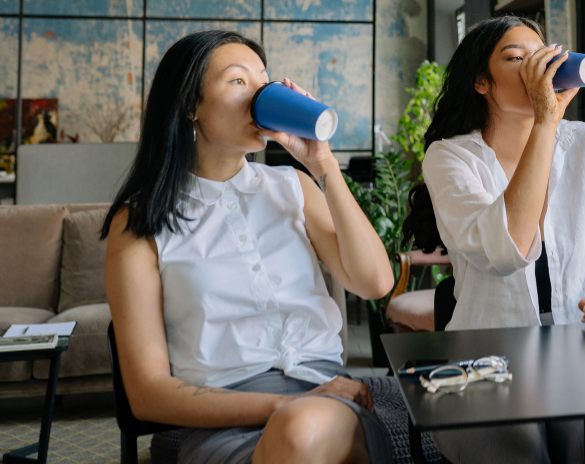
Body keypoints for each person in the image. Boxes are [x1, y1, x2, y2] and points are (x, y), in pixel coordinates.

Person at [102, 31, 395, 464]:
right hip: (224, 420)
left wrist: (323, 165)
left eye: (263, 80)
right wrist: (284, 406)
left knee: (303, 428)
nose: (259, 93)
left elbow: (375, 283)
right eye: (239, 81)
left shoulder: (294, 187)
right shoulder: (139, 224)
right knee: (297, 428)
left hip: (331, 405)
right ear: (191, 106)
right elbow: (147, 394)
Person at [402, 15, 585, 464]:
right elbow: (508, 250)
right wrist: (545, 123)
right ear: (482, 82)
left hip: (583, 346)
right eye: (516, 58)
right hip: (488, 358)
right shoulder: (450, 157)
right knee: (518, 450)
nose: (537, 67)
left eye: (542, 55)